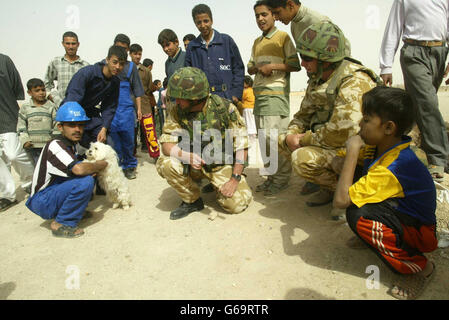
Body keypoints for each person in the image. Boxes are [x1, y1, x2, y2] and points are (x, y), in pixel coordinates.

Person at [333, 86, 438, 300]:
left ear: (389, 128)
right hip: (400, 213)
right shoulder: (381, 145)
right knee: (351, 179)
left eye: (366, 119)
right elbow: (338, 161)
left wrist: (353, 151)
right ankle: (377, 240)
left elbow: (341, 200)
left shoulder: (397, 165)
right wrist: (347, 158)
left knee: (358, 215)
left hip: (419, 232)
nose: (360, 124)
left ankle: (419, 268)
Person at [278, 21, 379, 219]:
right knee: (282, 141)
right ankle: (333, 188)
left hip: (357, 151)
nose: (303, 64)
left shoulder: (354, 80)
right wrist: (292, 135)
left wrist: (303, 139)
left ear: (326, 60)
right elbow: (302, 115)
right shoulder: (317, 79)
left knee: (301, 158)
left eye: (307, 58)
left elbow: (342, 132)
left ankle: (354, 195)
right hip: (330, 144)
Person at [156, 67, 252, 220]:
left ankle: (217, 184)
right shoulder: (177, 111)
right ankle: (192, 200)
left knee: (237, 205)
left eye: (180, 98)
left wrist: (234, 178)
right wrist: (185, 156)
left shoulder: (225, 108)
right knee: (167, 164)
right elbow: (166, 145)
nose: (176, 101)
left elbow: (242, 146)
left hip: (221, 164)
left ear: (194, 97)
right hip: (194, 165)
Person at [379, 0, 449, 182]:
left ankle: (410, 150)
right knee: (428, 104)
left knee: (420, 105)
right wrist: (386, 65)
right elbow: (393, 29)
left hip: (440, 52)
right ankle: (438, 158)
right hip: (414, 52)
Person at [26, 102, 108, 238]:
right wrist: (101, 164)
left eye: (81, 125)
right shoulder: (55, 145)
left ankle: (72, 211)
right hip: (42, 200)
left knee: (88, 173)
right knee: (85, 180)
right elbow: (79, 170)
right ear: (60, 127)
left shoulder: (72, 145)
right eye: (72, 125)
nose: (77, 129)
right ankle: (62, 222)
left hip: (51, 194)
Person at [248, 0, 300, 196]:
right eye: (257, 16)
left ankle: (281, 179)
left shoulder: (283, 37)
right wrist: (255, 68)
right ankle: (271, 177)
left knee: (275, 140)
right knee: (264, 141)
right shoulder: (256, 42)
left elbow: (295, 64)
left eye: (264, 14)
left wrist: (273, 67)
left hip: (276, 98)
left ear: (273, 15)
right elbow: (250, 66)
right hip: (259, 98)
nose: (260, 19)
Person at [62, 45, 126, 150]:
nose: (118, 67)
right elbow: (72, 100)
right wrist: (75, 126)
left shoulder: (115, 82)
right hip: (71, 116)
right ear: (107, 60)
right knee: (72, 149)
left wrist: (104, 129)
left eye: (122, 64)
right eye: (115, 62)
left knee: (107, 144)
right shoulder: (87, 73)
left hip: (90, 116)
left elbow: (109, 107)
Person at [185, 3, 245, 104]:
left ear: (212, 20)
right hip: (202, 101)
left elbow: (238, 68)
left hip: (226, 98)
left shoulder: (227, 41)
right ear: (195, 24)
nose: (203, 25)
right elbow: (188, 75)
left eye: (206, 21)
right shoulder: (192, 47)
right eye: (199, 22)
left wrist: (236, 94)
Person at [0, 53, 34, 212]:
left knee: (13, 154)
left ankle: (29, 182)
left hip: (8, 116)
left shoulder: (4, 60)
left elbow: (16, 89)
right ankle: (7, 195)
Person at [109, 34, 145, 180]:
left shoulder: (131, 67)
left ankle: (129, 166)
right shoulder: (107, 64)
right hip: (111, 108)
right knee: (113, 140)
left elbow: (137, 90)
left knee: (129, 139)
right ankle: (117, 167)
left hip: (127, 109)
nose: (121, 51)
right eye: (118, 47)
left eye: (124, 49)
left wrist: (139, 110)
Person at [267, 0, 351, 57]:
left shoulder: (318, 21)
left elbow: (344, 51)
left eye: (278, 12)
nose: (276, 18)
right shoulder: (294, 24)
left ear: (290, 5)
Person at [17, 78, 58, 164]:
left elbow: (56, 124)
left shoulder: (51, 106)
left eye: (43, 90)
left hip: (48, 146)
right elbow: (21, 126)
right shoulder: (26, 107)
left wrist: (54, 141)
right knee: (37, 168)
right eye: (37, 90)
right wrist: (25, 140)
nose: (41, 93)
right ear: (29, 93)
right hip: (33, 146)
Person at [44, 31, 90, 107]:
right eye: (67, 43)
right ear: (63, 44)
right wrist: (55, 99)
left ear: (78, 44)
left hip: (79, 108)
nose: (70, 47)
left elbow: (90, 89)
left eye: (73, 44)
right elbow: (46, 84)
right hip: (60, 107)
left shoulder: (85, 66)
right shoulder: (56, 62)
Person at [130, 43, 155, 152]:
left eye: (139, 54)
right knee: (132, 129)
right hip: (130, 102)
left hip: (144, 102)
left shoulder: (146, 71)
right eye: (135, 54)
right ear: (130, 54)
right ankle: (132, 151)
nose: (137, 56)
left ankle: (152, 151)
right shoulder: (125, 69)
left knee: (149, 128)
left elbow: (149, 87)